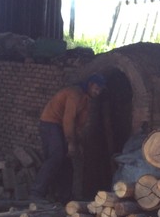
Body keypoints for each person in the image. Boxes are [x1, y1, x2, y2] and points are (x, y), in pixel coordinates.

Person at [30, 73, 107, 203]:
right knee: (56, 156)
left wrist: (78, 143)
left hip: (61, 127)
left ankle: (64, 197)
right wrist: (71, 143)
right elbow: (68, 120)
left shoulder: (85, 99)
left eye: (100, 90)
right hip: (50, 124)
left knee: (67, 162)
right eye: (96, 88)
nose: (98, 92)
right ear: (90, 85)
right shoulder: (74, 94)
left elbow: (78, 125)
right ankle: (36, 192)